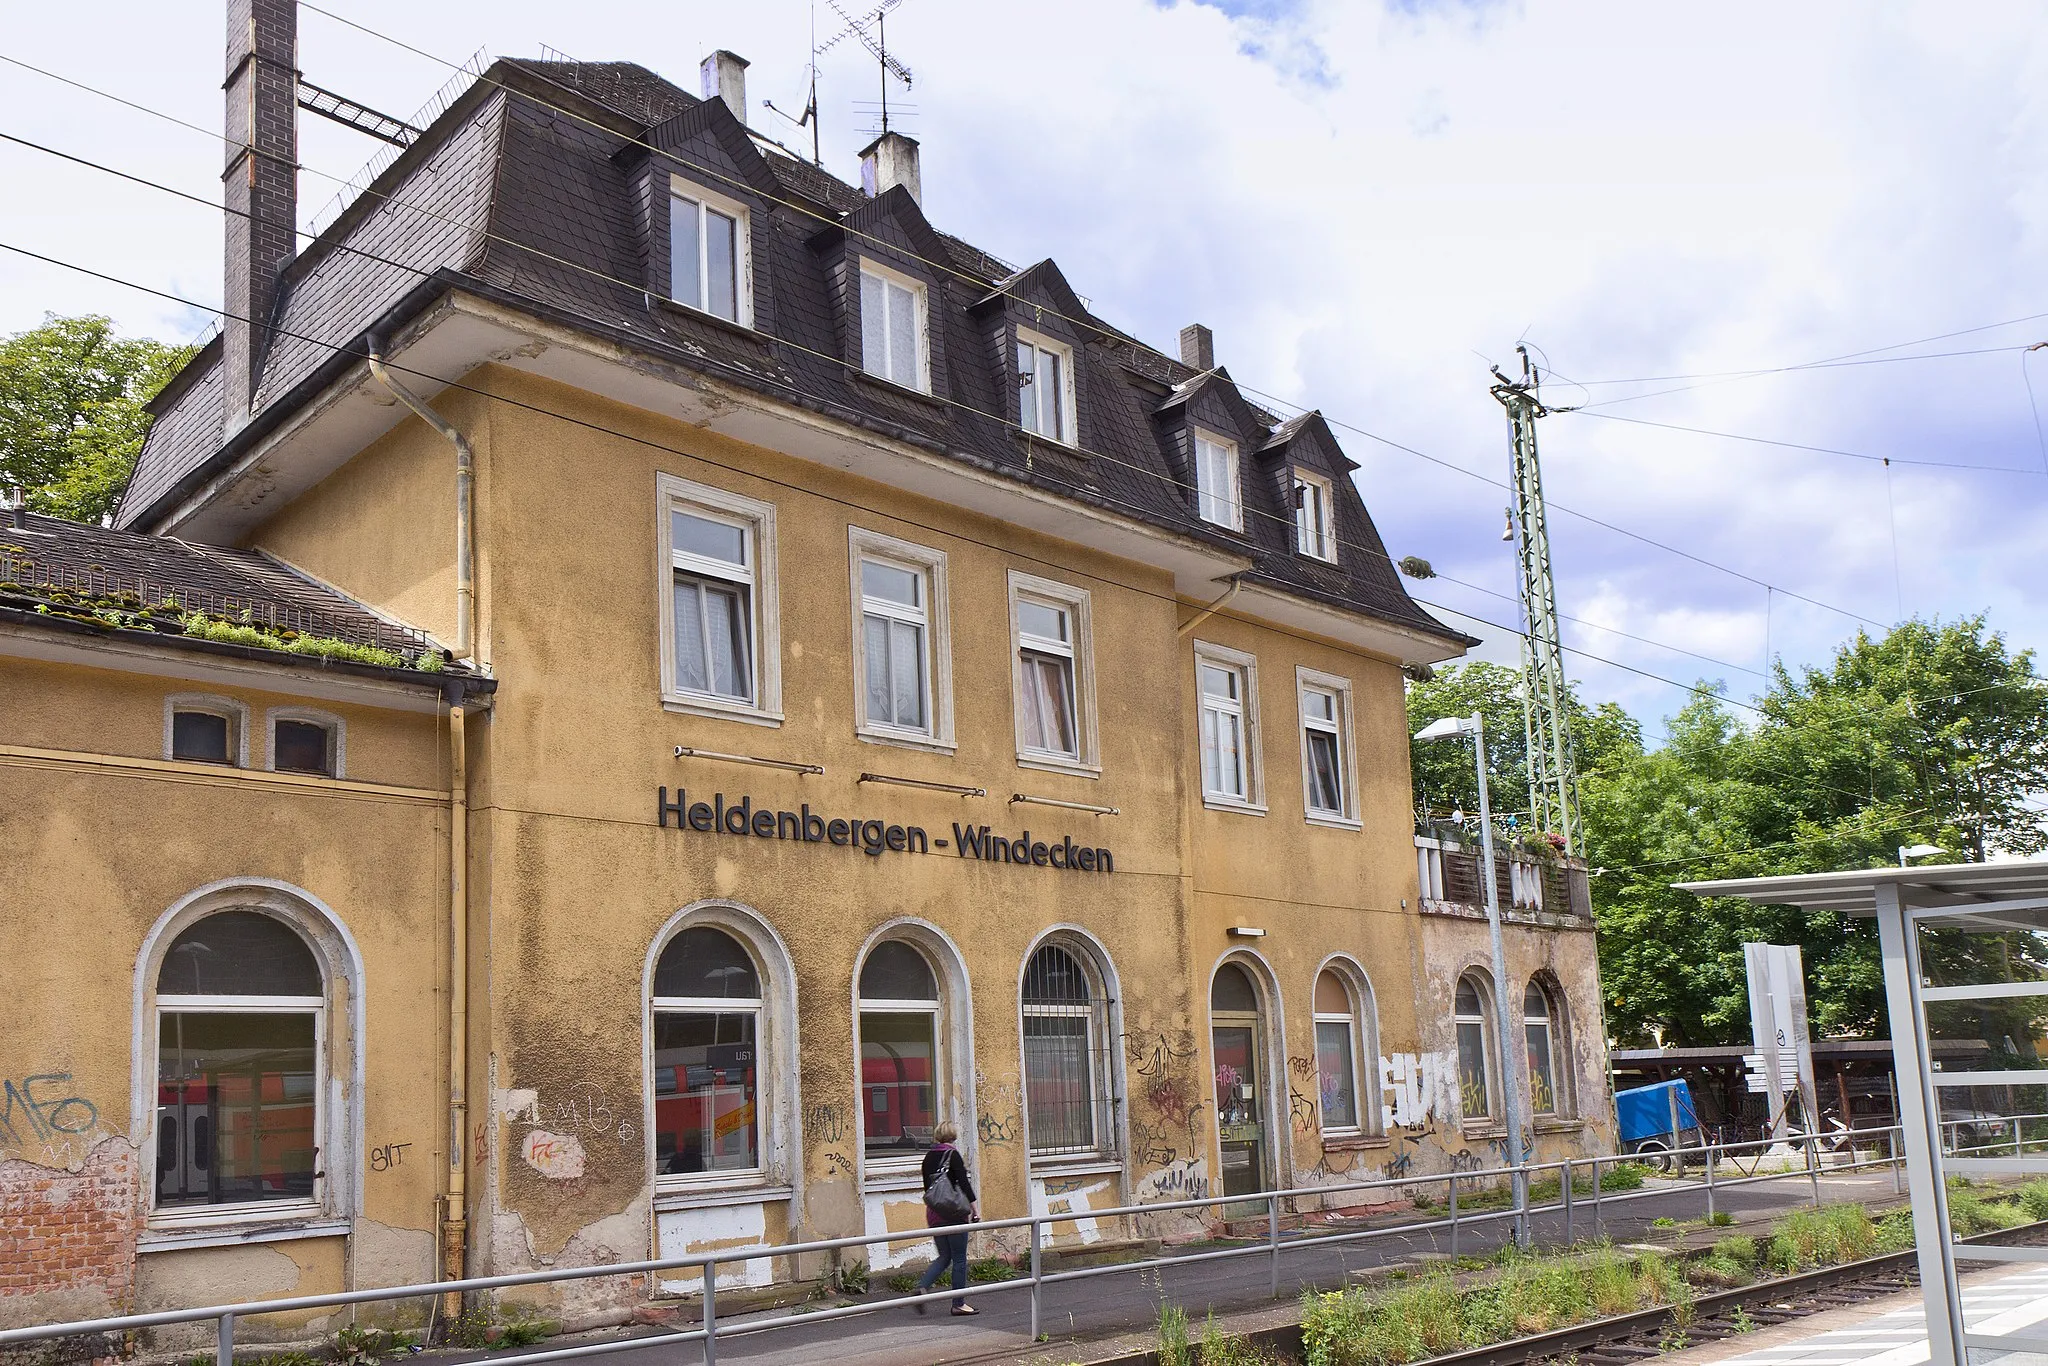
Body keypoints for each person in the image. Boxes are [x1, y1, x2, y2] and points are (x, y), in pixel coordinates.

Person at [912, 1121, 978, 1316]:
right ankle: (958, 1303)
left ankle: (922, 1287)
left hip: (934, 1213)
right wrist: (975, 1209)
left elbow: (929, 1189)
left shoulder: (928, 1158)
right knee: (959, 1259)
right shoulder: (953, 1155)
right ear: (954, 1137)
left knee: (944, 1256)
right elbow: (964, 1185)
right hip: (955, 1212)